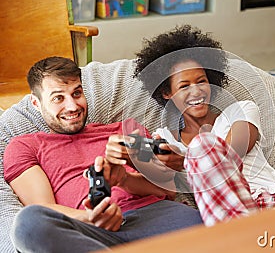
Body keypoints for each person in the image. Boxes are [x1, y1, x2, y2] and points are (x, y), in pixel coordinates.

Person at [3, 56, 202, 253]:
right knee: (27, 224)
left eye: (77, 93)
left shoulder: (125, 130)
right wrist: (92, 218)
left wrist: (124, 177)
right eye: (58, 98)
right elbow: (43, 207)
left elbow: (166, 190)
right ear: (36, 103)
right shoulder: (24, 146)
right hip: (88, 232)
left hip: (156, 217)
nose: (72, 106)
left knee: (209, 226)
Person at [128, 24, 275, 226]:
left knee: (204, 145)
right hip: (223, 219)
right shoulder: (164, 138)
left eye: (201, 81)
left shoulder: (241, 110)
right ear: (167, 93)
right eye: (184, 86)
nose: (196, 91)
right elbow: (164, 187)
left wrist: (184, 160)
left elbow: (228, 155)